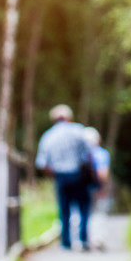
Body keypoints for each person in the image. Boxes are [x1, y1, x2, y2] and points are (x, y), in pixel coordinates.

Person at [35, 104, 96, 250]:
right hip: (79, 175)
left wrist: (52, 174)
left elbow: (42, 163)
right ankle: (83, 239)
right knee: (83, 208)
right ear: (68, 117)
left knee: (64, 210)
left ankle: (66, 242)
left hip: (60, 177)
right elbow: (89, 154)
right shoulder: (78, 131)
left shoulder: (48, 136)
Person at [83, 126, 111, 251]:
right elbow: (103, 172)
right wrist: (103, 186)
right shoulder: (102, 153)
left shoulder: (81, 154)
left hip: (83, 188)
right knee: (99, 213)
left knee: (82, 213)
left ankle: (84, 239)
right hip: (97, 187)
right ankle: (98, 240)